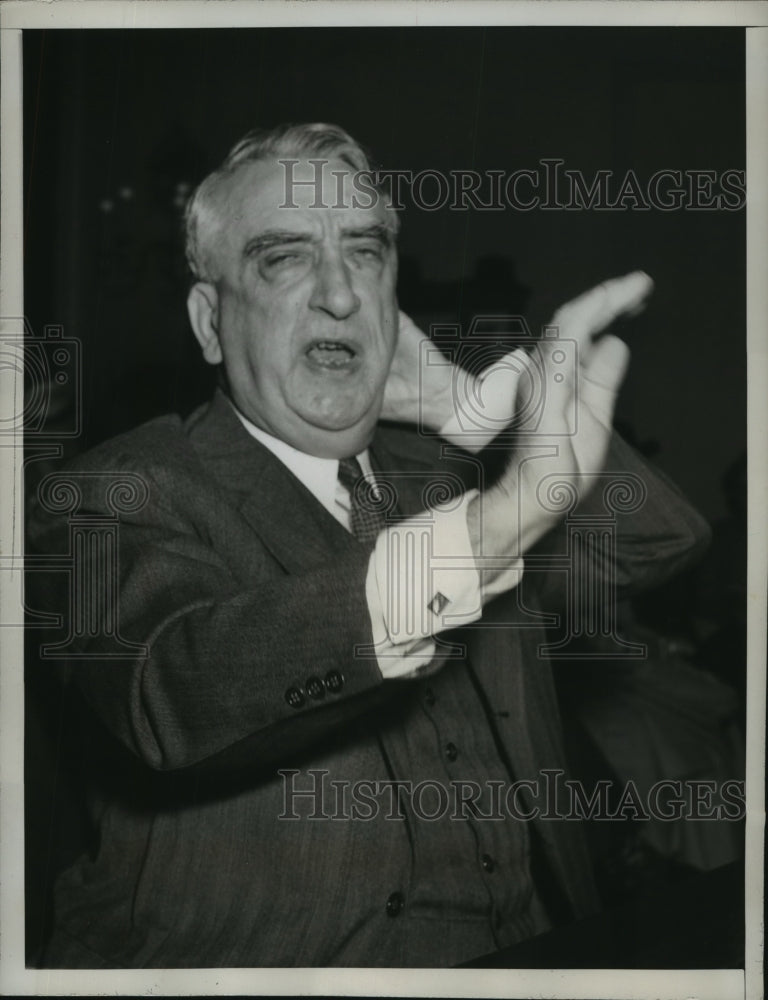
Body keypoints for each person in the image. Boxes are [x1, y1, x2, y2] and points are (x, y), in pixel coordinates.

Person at [28, 123, 710, 968]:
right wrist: (489, 531)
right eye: (284, 258)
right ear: (209, 321)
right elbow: (169, 686)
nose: (342, 295)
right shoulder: (117, 491)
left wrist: (463, 410)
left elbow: (661, 543)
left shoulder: (452, 470)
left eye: (366, 251)